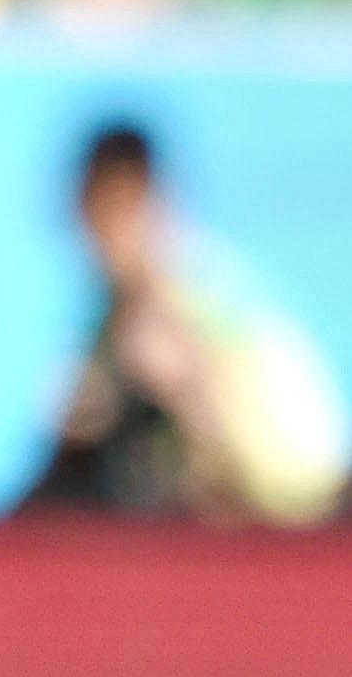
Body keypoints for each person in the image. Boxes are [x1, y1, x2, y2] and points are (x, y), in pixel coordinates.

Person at [25, 122, 347, 523]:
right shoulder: (182, 283)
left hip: (295, 512)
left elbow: (212, 442)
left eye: (97, 208)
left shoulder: (159, 309)